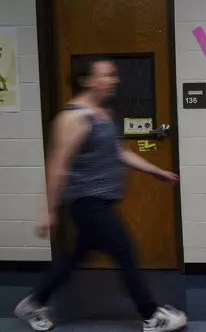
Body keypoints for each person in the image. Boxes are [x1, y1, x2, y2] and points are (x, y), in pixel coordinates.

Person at [14, 58, 187, 332]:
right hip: (86, 202)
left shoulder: (102, 114)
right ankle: (152, 315)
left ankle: (34, 303)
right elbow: (56, 166)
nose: (113, 80)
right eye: (106, 75)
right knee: (125, 251)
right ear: (87, 80)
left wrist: (156, 171)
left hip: (102, 200)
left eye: (113, 75)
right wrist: (46, 211)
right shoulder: (72, 118)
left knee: (76, 256)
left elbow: (119, 152)